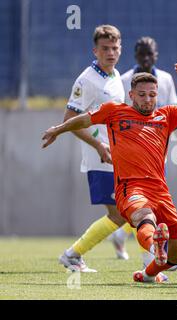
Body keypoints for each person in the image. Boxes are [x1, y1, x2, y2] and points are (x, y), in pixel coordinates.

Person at [42, 64, 177, 283]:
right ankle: (154, 245)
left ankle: (148, 274)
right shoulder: (114, 111)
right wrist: (57, 129)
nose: (148, 99)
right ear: (131, 95)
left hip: (160, 191)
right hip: (130, 187)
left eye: (152, 95)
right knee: (144, 217)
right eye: (142, 95)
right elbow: (84, 119)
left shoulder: (166, 115)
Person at [111, 36, 177, 269]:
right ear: (135, 55)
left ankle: (128, 239)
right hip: (130, 152)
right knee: (139, 205)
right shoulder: (125, 79)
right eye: (141, 54)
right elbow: (117, 114)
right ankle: (151, 255)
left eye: (150, 54)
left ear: (156, 55)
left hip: (158, 153)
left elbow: (173, 113)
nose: (146, 58)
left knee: (151, 205)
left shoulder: (165, 79)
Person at [58, 25, 130, 272]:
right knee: (120, 215)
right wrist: (98, 145)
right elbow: (69, 121)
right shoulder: (87, 80)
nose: (110, 53)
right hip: (101, 158)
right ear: (95, 50)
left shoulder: (114, 76)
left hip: (118, 154)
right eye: (105, 48)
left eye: (114, 48)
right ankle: (72, 255)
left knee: (132, 208)